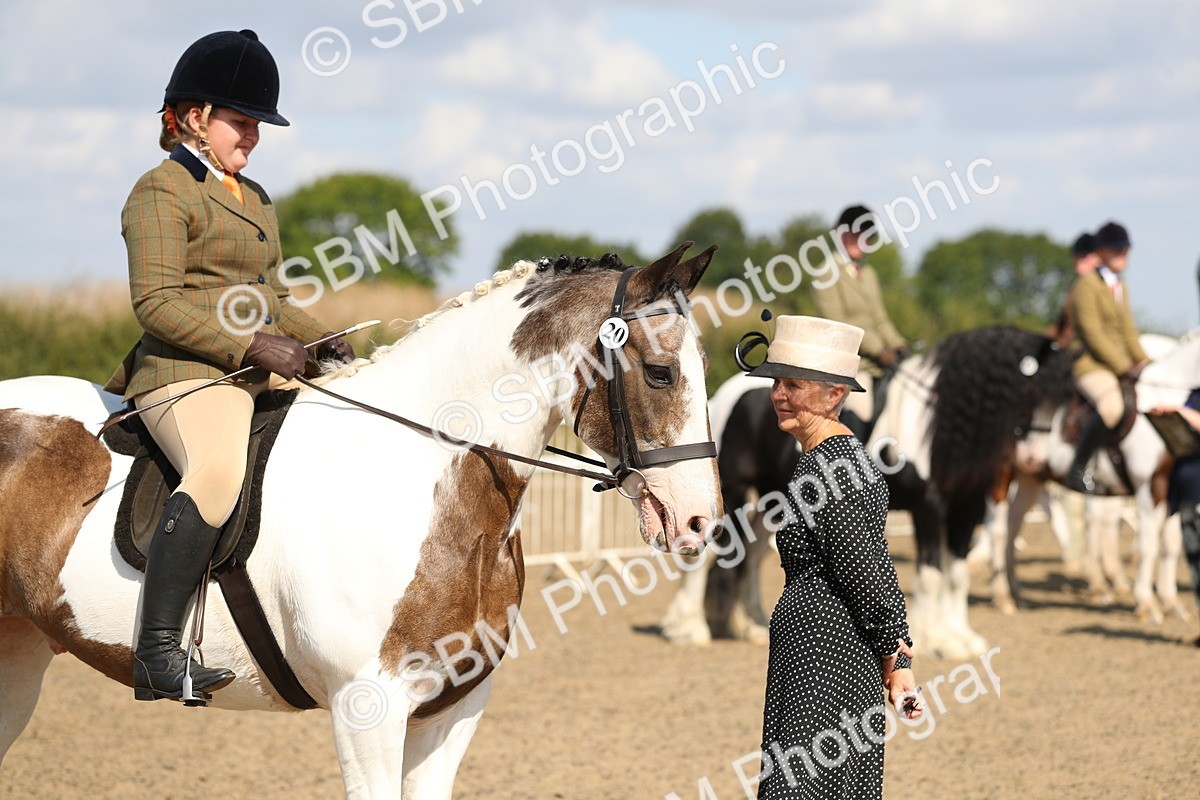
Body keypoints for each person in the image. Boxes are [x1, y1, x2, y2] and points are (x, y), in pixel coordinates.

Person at [103, 29, 354, 702]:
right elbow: (156, 303)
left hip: (248, 368)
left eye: (257, 125)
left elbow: (273, 299)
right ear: (193, 117)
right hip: (181, 373)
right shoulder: (160, 192)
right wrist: (250, 347)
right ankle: (156, 653)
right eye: (242, 122)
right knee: (215, 474)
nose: (254, 136)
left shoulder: (256, 199)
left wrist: (323, 338)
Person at [746, 316, 920, 799]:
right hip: (829, 645)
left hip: (825, 650)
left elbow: (865, 566)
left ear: (834, 395)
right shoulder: (836, 457)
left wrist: (897, 653)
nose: (779, 395)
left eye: (794, 384)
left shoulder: (828, 466)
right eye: (777, 383)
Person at [1063, 221, 1150, 493]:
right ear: (1101, 252)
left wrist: (1145, 364)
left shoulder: (1120, 286)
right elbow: (1093, 335)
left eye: (1125, 250)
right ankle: (1077, 468)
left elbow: (1128, 331)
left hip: (1116, 365)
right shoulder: (1086, 286)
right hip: (1090, 364)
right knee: (1112, 407)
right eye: (1116, 251)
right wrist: (1125, 367)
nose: (1123, 255)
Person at [811, 205, 908, 437]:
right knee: (860, 409)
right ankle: (851, 465)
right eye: (856, 236)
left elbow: (880, 318)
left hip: (879, 361)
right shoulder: (825, 272)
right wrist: (878, 349)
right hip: (850, 364)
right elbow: (838, 322)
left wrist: (899, 345)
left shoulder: (870, 274)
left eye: (867, 237)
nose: (861, 242)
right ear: (842, 235)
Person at [1150, 393, 1200, 646]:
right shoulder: (1193, 393)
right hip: (1186, 491)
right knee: (1195, 563)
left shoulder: (1188, 404)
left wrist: (1181, 413)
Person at [1048, 232, 1100, 347]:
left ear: (1097, 258)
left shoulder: (1103, 288)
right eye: (1078, 255)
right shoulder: (1075, 287)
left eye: (1085, 256)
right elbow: (1061, 323)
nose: (1079, 261)